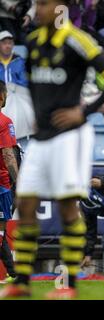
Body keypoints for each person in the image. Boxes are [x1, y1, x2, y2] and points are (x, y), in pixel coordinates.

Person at [0, 0, 104, 299]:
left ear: (59, 8)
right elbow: (35, 85)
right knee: (26, 204)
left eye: (42, 4)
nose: (36, 10)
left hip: (70, 136)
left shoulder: (77, 40)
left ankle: (69, 286)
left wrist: (84, 110)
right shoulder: (31, 42)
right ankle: (24, 283)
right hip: (42, 137)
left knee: (68, 206)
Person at [0, 80, 18, 281]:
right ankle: (13, 274)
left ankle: (12, 273)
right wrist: (19, 183)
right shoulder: (5, 122)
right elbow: (8, 156)